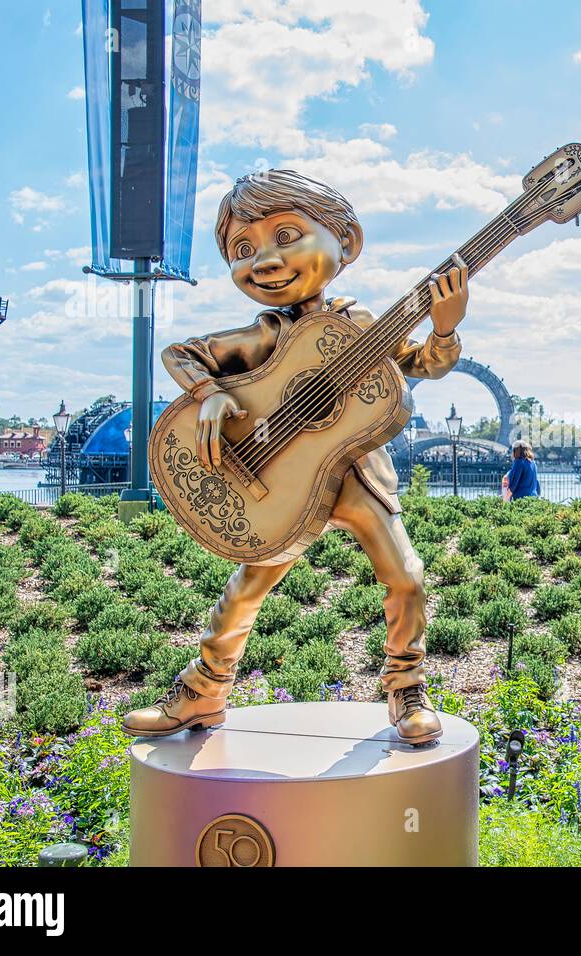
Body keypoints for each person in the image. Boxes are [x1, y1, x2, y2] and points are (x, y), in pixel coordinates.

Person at [122, 168, 469, 745]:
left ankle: (406, 687)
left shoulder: (362, 327)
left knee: (406, 576)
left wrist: (446, 328)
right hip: (276, 480)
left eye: (287, 236)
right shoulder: (266, 335)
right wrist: (212, 396)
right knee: (246, 587)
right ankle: (203, 692)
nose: (264, 260)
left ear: (346, 241)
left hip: (356, 475)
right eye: (243, 249)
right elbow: (183, 353)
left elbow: (424, 364)